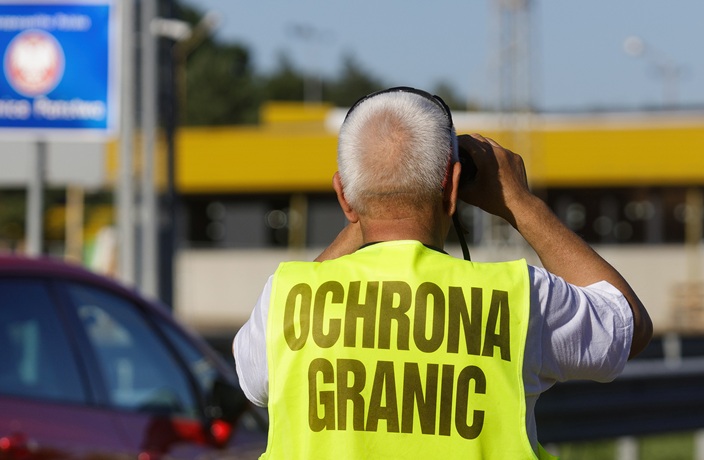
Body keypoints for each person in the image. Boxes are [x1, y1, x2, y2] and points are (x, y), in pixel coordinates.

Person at [233, 87, 653, 460]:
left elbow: (254, 384)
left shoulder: (285, 300)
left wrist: (370, 206)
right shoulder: (518, 297)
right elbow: (628, 326)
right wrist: (520, 203)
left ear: (344, 196)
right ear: (452, 188)